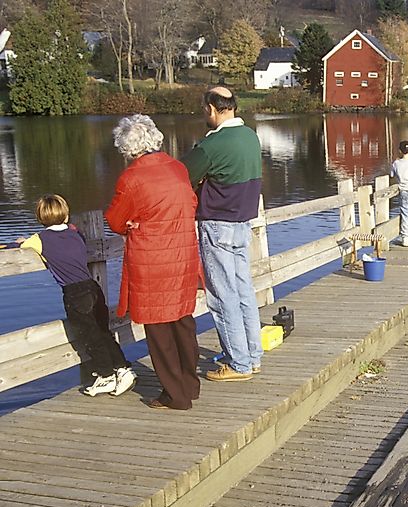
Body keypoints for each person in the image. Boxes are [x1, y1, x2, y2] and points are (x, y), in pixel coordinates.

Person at [106, 115, 202, 410]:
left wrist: (134, 223)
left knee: (159, 329)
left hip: (152, 260)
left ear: (128, 149)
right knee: (183, 322)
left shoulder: (132, 177)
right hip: (183, 255)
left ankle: (175, 395)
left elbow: (115, 220)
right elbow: (191, 204)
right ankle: (189, 384)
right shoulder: (177, 168)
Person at [12, 195, 135, 397]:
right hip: (93, 288)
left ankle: (105, 376)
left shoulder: (40, 239)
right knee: (103, 331)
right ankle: (122, 368)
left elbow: (22, 247)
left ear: (39, 217)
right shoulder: (75, 233)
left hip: (74, 293)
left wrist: (21, 242)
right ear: (66, 214)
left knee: (90, 336)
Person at [181, 87, 263, 381]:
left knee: (221, 295)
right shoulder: (250, 136)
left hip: (217, 224)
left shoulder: (213, 145)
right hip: (243, 224)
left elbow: (181, 176)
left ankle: (238, 363)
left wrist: (202, 179)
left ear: (212, 109)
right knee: (243, 291)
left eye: (204, 109)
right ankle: (252, 356)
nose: (204, 114)